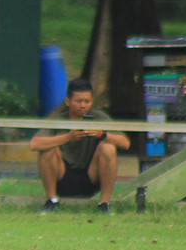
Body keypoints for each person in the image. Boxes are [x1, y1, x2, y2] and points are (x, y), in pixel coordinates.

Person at [29, 77, 130, 214]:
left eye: (87, 101)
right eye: (78, 101)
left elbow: (125, 143)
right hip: (61, 176)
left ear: (92, 101)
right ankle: (51, 200)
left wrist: (102, 134)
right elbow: (34, 144)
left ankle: (104, 203)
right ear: (68, 101)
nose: (83, 105)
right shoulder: (58, 119)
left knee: (108, 148)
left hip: (91, 177)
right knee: (47, 149)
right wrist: (67, 137)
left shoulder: (99, 117)